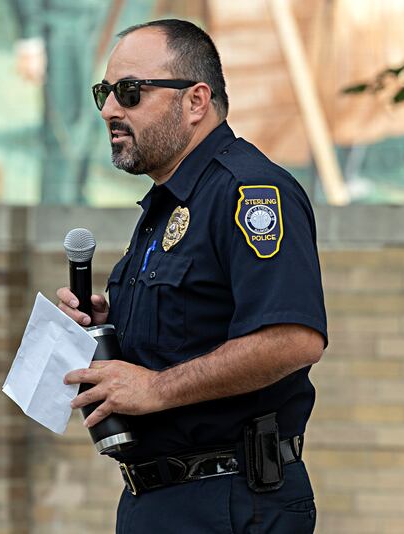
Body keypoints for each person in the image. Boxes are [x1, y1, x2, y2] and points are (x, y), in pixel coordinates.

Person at [56, 20, 326, 533]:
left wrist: (156, 388)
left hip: (232, 499)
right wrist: (113, 323)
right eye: (105, 93)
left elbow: (292, 338)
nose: (111, 109)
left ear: (196, 101)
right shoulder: (168, 204)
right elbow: (194, 320)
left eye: (130, 92)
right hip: (154, 500)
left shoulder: (250, 191)